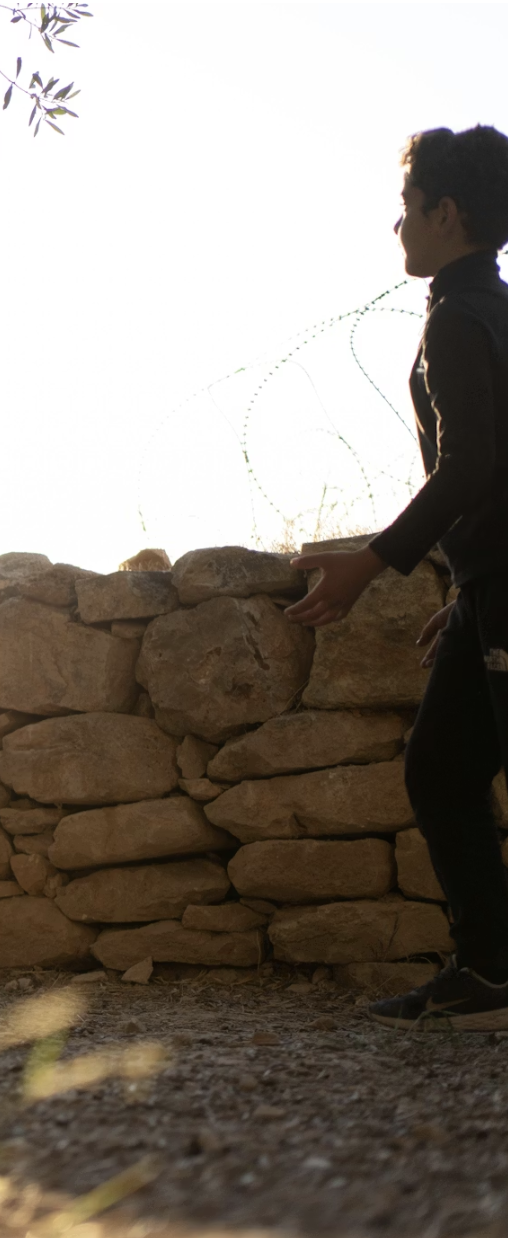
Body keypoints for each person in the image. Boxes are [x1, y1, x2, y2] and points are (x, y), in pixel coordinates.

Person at [287, 125, 508, 1030]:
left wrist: (370, 564)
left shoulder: (460, 319)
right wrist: (464, 586)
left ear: (445, 213)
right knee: (441, 768)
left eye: (408, 208)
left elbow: (469, 467)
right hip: (488, 588)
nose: (398, 227)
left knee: (452, 773)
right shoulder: (490, 304)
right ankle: (490, 977)